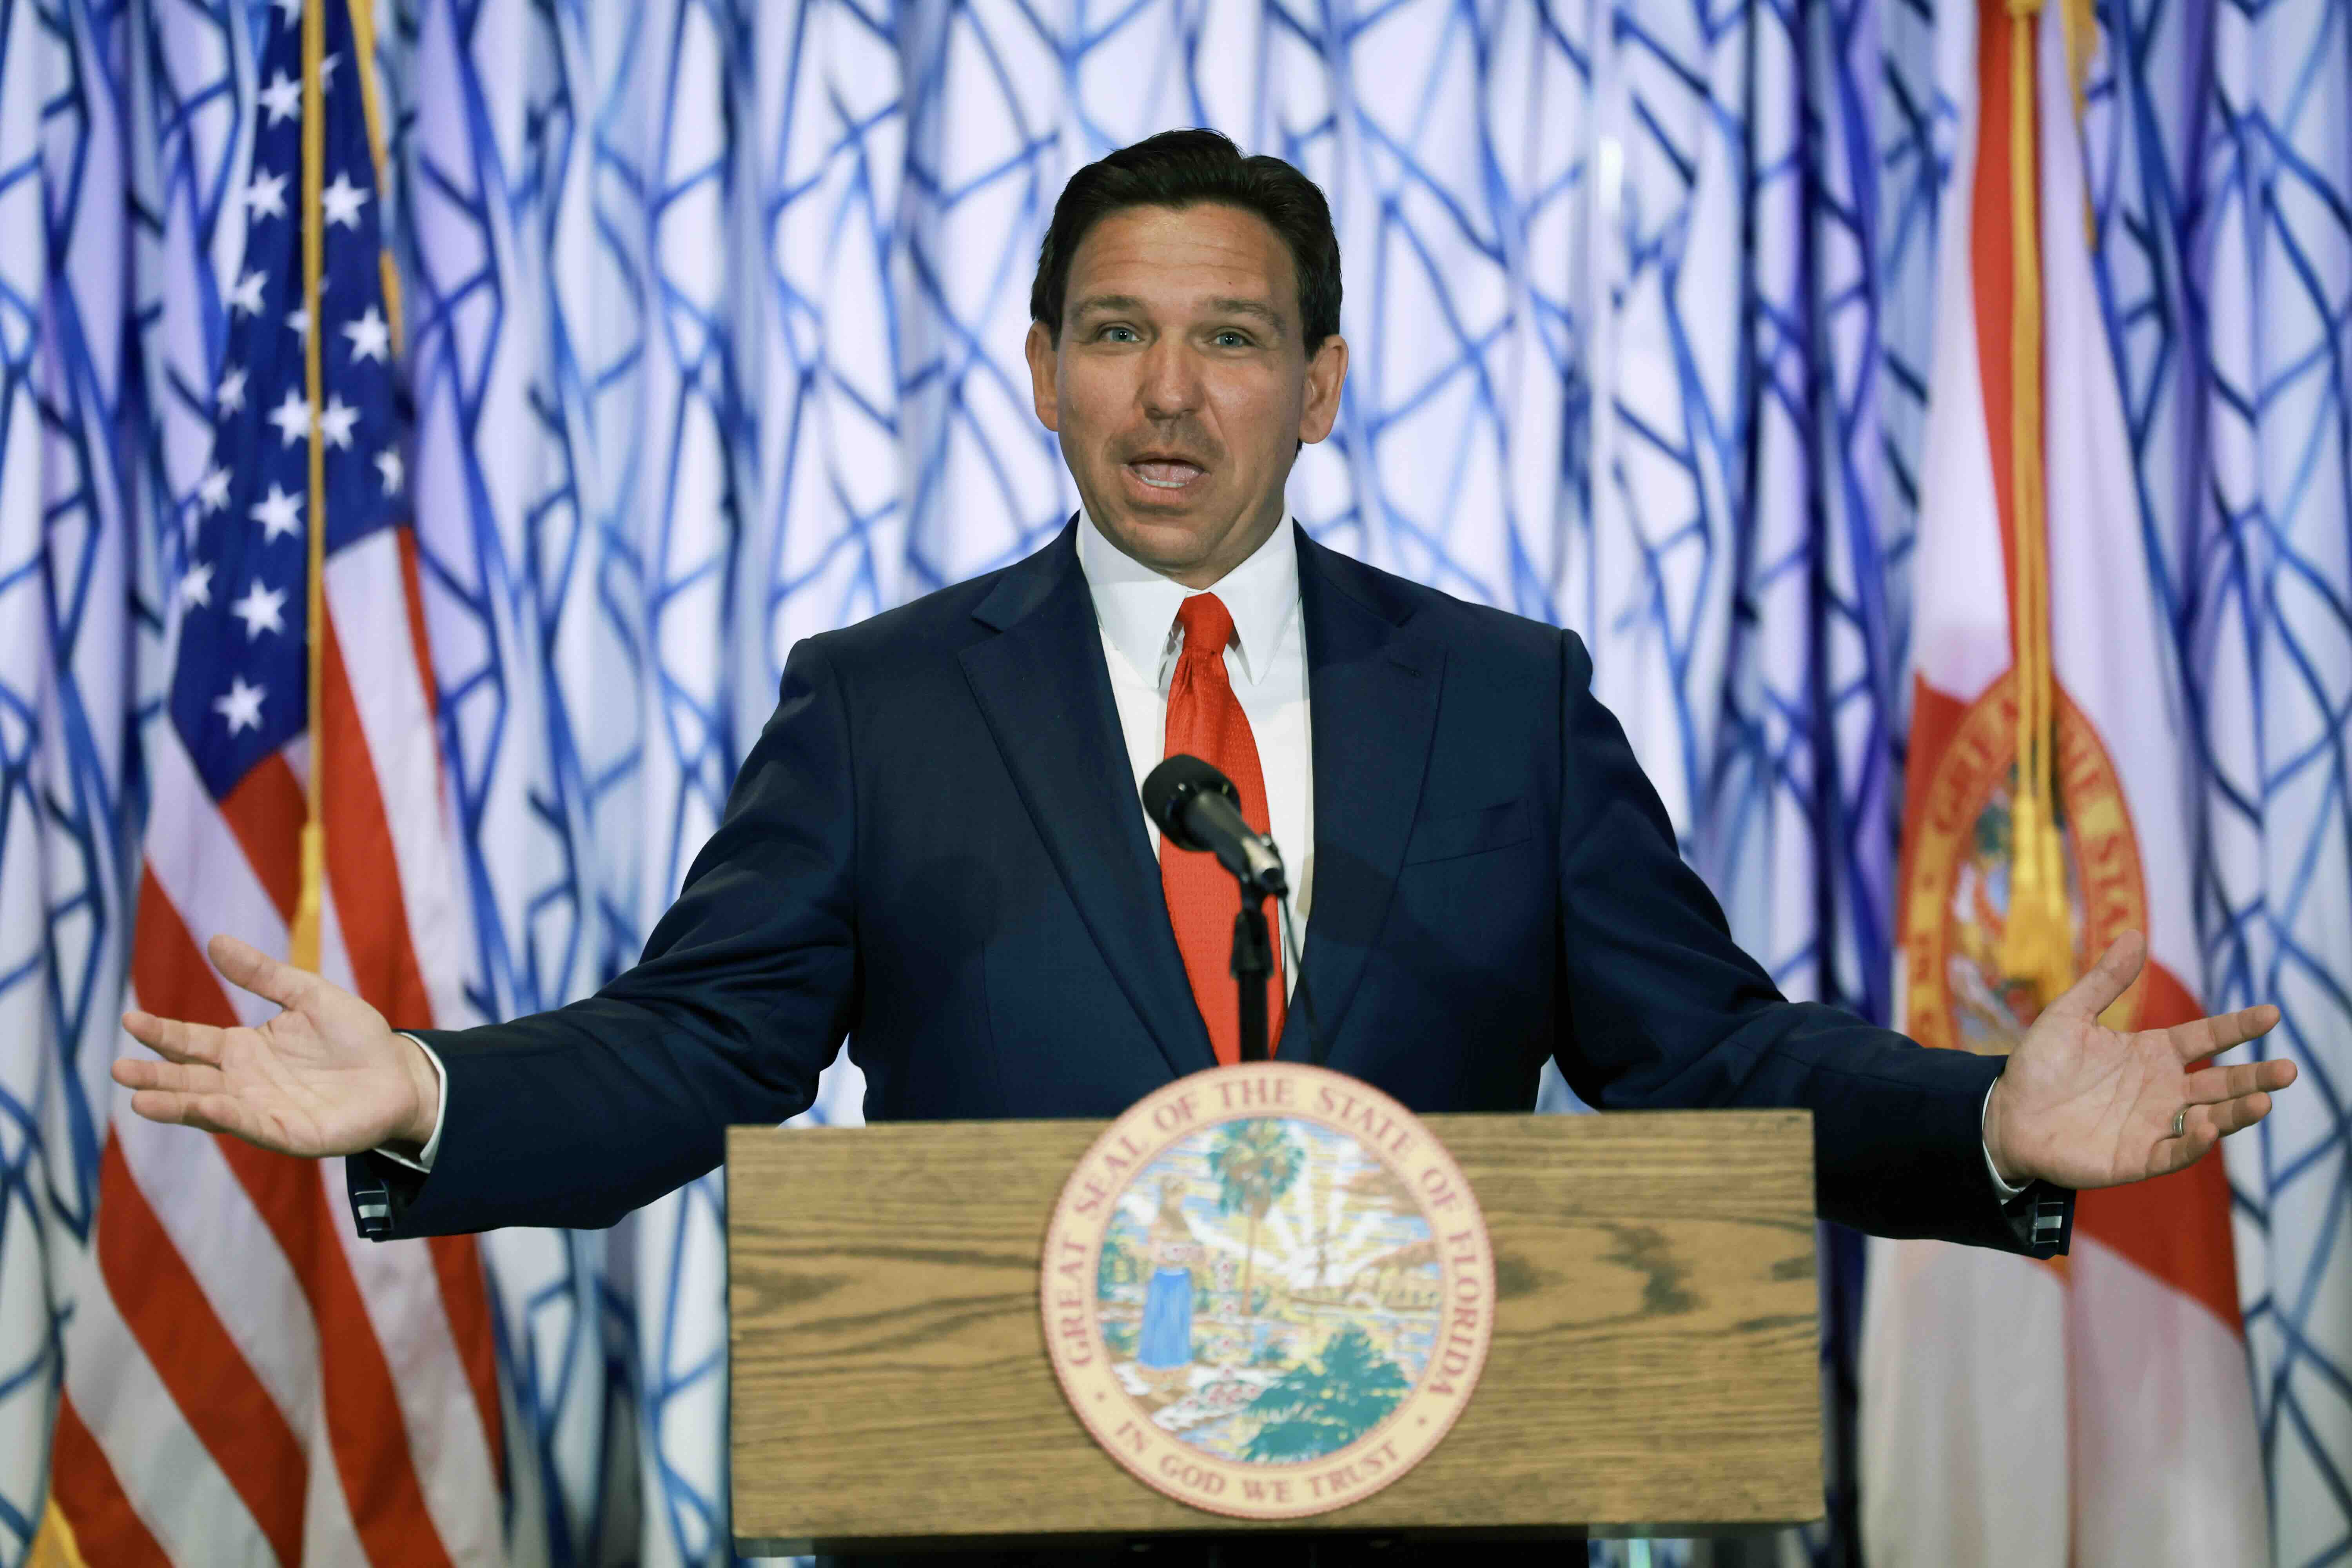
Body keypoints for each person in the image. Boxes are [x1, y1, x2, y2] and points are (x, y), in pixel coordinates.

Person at [115, 127, 2293, 1561]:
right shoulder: (883, 703)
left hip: (1439, 1513)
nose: (1170, 393)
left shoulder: (1505, 698)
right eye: (1119, 334)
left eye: (1232, 339)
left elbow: (1707, 1055)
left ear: (1320, 384)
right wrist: (431, 1089)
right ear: (1042, 371)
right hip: (1000, 1518)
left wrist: (1985, 1122)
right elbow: (701, 1047)